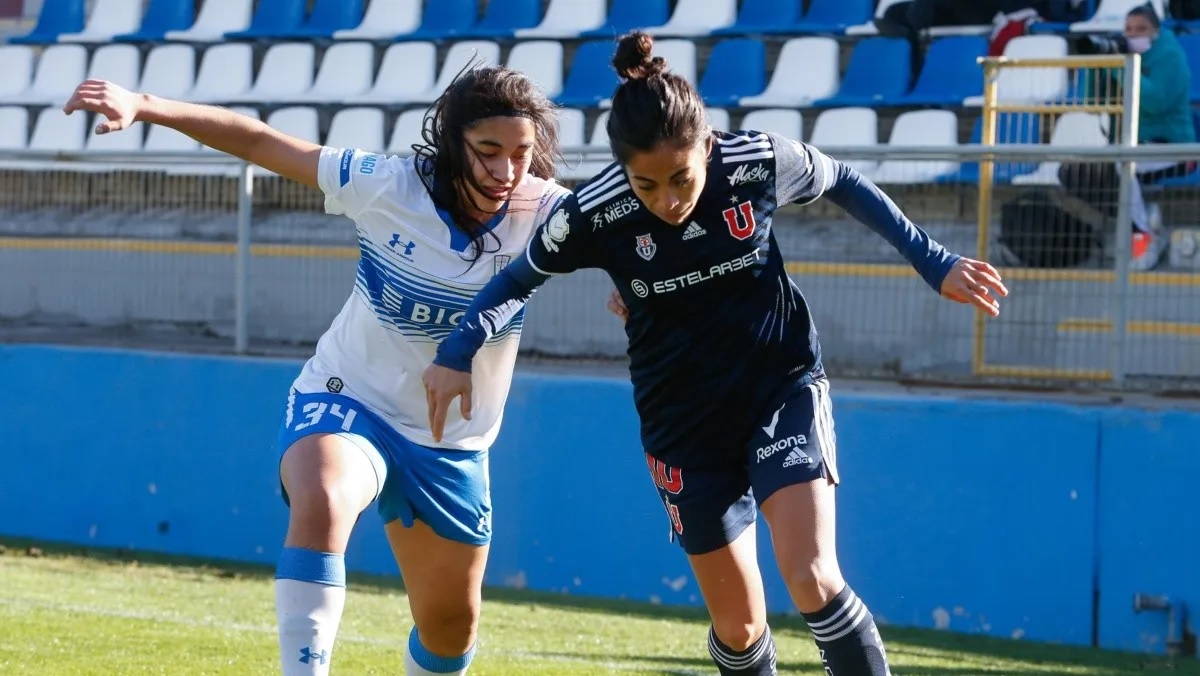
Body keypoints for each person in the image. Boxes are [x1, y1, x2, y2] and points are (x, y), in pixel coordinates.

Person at [423, 32, 1008, 676]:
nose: (667, 201)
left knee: (813, 576)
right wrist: (457, 351)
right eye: (646, 185)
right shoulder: (595, 213)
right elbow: (515, 281)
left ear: (707, 146)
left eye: (681, 178)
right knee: (739, 626)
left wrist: (933, 260)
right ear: (622, 171)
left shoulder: (756, 162)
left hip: (779, 388)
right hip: (681, 425)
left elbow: (842, 179)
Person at [63, 65, 570, 676]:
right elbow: (261, 142)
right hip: (350, 397)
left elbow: (633, 237)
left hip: (452, 440)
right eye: (488, 150)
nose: (506, 170)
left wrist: (630, 287)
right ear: (452, 140)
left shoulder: (546, 212)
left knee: (449, 631)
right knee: (325, 498)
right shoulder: (387, 185)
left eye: (520, 153)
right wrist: (144, 104)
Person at [1062, 4, 1196, 271]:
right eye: (1129, 29)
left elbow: (1155, 102)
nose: (1133, 35)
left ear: (1156, 31)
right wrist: (1096, 65)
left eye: (1141, 29)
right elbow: (1092, 103)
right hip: (1131, 146)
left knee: (1123, 164)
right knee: (1072, 173)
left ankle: (1143, 236)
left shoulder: (1170, 55)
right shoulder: (1123, 57)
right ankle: (1145, 218)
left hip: (1174, 148)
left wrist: (1122, 67)